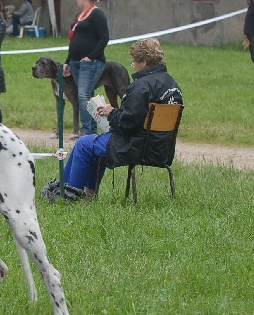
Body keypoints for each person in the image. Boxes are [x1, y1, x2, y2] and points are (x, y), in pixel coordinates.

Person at [43, 38, 183, 200]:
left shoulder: (141, 86)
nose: (134, 66)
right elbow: (137, 117)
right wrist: (117, 113)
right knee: (92, 144)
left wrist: (111, 113)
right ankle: (87, 194)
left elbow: (127, 124)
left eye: (134, 62)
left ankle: (68, 193)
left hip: (137, 147)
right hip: (162, 147)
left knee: (83, 144)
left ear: (144, 62)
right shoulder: (172, 84)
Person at [63, 0, 109, 137]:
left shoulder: (97, 14)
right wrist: (68, 61)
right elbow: (74, 40)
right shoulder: (79, 16)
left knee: (83, 94)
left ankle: (87, 129)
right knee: (87, 94)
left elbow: (104, 38)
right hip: (75, 61)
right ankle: (91, 128)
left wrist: (91, 57)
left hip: (90, 63)